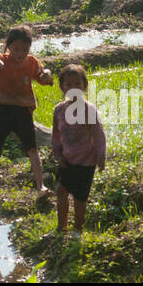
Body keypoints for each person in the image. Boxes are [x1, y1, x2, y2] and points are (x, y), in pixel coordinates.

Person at [0, 25, 53, 197]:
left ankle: (40, 186)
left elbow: (43, 77)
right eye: (16, 49)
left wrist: (47, 74)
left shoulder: (32, 62)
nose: (20, 54)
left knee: (32, 148)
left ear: (29, 49)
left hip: (23, 110)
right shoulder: (0, 60)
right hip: (3, 109)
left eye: (24, 50)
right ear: (9, 46)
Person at [51, 63, 107, 234]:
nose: (73, 89)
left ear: (85, 86)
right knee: (61, 191)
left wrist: (101, 155)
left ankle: (77, 229)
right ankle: (62, 227)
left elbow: (98, 134)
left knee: (80, 198)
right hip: (67, 160)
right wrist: (57, 154)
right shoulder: (59, 110)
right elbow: (56, 135)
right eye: (69, 85)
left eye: (78, 85)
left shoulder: (89, 110)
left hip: (85, 162)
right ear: (62, 87)